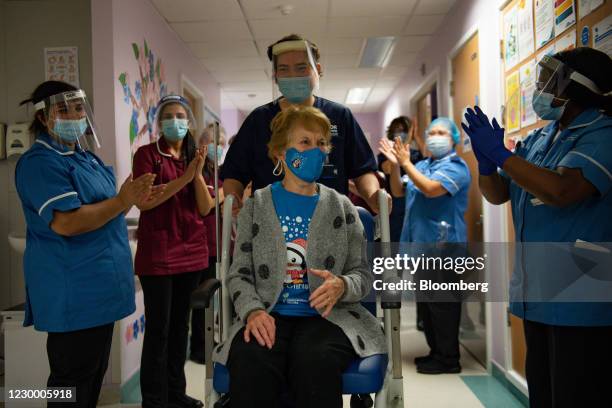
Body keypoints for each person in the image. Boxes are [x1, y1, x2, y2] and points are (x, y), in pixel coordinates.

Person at [463, 47, 612, 407]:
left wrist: (502, 155)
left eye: (548, 78)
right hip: (537, 294)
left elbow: (562, 190)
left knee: (577, 396)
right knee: (544, 396)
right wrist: (486, 164)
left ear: (574, 86)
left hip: (582, 297)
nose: (539, 87)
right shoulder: (542, 138)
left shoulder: (602, 133)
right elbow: (498, 194)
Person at [212, 106, 386, 407]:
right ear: (280, 152)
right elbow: (239, 274)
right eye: (305, 142)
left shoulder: (342, 207)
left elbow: (363, 274)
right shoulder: (257, 206)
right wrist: (253, 311)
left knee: (314, 361)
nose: (316, 151)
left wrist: (342, 285)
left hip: (330, 319)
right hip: (269, 312)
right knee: (252, 359)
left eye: (321, 143)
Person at [15, 81, 161, 408]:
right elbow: (67, 222)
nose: (74, 115)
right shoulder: (40, 162)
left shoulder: (85, 158)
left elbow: (107, 211)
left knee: (91, 377)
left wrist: (132, 198)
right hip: (74, 292)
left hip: (100, 290)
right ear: (43, 118)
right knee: (71, 385)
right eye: (63, 110)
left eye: (79, 108)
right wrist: (122, 199)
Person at [220, 33, 387, 214]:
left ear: (317, 70)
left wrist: (373, 196)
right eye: (284, 69)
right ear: (275, 76)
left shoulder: (339, 116)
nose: (293, 76)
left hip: (331, 223)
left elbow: (363, 170)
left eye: (301, 68)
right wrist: (234, 199)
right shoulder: (258, 120)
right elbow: (234, 174)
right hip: (271, 226)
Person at [132, 95, 214, 408]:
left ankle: (176, 395)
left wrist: (195, 172)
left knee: (181, 328)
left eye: (181, 115)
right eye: (169, 116)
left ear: (189, 122)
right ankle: (154, 400)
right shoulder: (147, 155)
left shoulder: (196, 155)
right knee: (159, 330)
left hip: (191, 253)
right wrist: (186, 175)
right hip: (158, 256)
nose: (175, 121)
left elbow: (205, 207)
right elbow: (146, 201)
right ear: (159, 123)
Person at [379, 117, 470, 374]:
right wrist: (397, 167)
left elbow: (431, 190)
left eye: (441, 132)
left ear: (453, 138)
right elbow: (397, 191)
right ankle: (436, 353)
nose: (435, 136)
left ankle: (449, 359)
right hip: (421, 248)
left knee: (443, 307)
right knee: (428, 307)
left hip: (444, 249)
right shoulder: (424, 165)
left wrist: (406, 163)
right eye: (431, 132)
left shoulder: (456, 167)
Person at [190, 124, 226, 363]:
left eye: (221, 144)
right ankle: (198, 348)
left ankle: (208, 341)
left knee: (213, 298)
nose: (218, 148)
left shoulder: (220, 173)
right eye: (213, 143)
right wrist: (223, 195)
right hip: (199, 245)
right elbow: (207, 204)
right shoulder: (198, 173)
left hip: (217, 245)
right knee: (200, 300)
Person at [378, 116, 424, 242]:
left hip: (415, 199)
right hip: (395, 203)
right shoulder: (385, 154)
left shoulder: (414, 153)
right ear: (391, 132)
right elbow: (387, 168)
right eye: (397, 129)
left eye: (403, 130)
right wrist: (400, 149)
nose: (400, 132)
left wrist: (416, 137)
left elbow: (427, 160)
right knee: (396, 238)